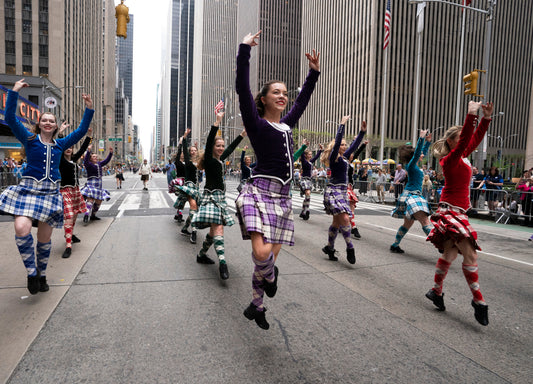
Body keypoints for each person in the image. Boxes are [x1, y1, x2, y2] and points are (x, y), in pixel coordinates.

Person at [235, 30, 320, 330]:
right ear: (264, 99)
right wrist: (244, 51)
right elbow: (242, 89)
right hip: (259, 193)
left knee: (265, 257)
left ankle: (257, 305)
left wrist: (313, 75)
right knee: (262, 256)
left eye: (286, 93)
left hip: (283, 199)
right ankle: (271, 278)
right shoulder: (256, 124)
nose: (283, 96)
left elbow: (303, 102)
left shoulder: (286, 125)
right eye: (276, 92)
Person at [0, 79, 94, 294]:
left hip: (51, 193)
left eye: (52, 120)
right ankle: (31, 273)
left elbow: (80, 132)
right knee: (21, 228)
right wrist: (14, 92)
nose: (49, 123)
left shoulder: (61, 144)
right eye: (45, 120)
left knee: (44, 239)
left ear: (55, 124)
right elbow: (11, 119)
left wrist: (89, 108)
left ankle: (42, 275)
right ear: (40, 123)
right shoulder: (29, 139)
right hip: (27, 191)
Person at [425, 101, 493, 326]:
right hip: (451, 212)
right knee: (471, 255)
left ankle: (436, 291)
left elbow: (473, 139)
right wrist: (471, 114)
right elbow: (467, 138)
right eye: (460, 138)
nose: (464, 140)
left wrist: (485, 119)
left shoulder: (462, 156)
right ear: (452, 142)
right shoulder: (450, 159)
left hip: (457, 211)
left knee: (450, 255)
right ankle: (478, 300)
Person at [192, 112, 244, 279]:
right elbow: (209, 142)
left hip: (220, 199)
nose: (221, 148)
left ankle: (201, 254)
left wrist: (242, 134)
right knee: (218, 227)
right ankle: (223, 263)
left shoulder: (221, 160)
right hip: (210, 198)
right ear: (212, 148)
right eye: (218, 146)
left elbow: (231, 147)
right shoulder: (209, 159)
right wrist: (217, 122)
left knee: (214, 230)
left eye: (222, 146)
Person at [320, 115, 358, 264]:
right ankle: (350, 247)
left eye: (345, 144)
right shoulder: (335, 157)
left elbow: (354, 148)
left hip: (342, 191)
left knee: (336, 223)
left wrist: (361, 133)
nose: (345, 146)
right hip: (334, 190)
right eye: (342, 144)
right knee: (345, 218)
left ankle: (329, 247)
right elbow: (337, 145)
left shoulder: (344, 158)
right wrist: (341, 125)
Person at [390, 130, 433, 254]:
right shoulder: (411, 165)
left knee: (408, 224)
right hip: (412, 195)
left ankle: (395, 245)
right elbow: (419, 153)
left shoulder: (414, 165)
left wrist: (428, 142)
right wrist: (421, 138)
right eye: (420, 154)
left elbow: (421, 152)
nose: (422, 155)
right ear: (414, 156)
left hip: (410, 195)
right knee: (425, 221)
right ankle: (439, 243)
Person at [58, 126, 92, 258]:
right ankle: (68, 245)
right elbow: (60, 147)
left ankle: (70, 234)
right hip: (65, 190)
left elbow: (83, 148)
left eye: (71, 147)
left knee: (76, 214)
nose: (69, 149)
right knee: (69, 216)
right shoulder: (60, 160)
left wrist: (89, 136)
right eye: (67, 147)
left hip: (76, 191)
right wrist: (60, 134)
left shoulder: (74, 159)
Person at [176, 129, 200, 244]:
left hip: (197, 187)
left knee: (194, 209)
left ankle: (185, 228)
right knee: (193, 205)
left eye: (195, 150)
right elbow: (184, 150)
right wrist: (184, 137)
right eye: (192, 150)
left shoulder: (199, 161)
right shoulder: (187, 160)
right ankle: (194, 231)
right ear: (190, 152)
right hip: (189, 186)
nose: (194, 152)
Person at [81, 146, 113, 222]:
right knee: (90, 200)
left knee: (99, 201)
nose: (95, 157)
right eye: (94, 156)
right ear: (90, 158)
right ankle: (86, 215)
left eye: (96, 156)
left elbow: (106, 161)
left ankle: (93, 215)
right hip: (91, 184)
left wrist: (111, 153)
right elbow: (85, 161)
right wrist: (88, 151)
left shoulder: (99, 164)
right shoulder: (88, 164)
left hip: (98, 185)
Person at [298, 139, 323, 220]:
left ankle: (303, 211)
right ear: (306, 155)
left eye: (311, 154)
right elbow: (301, 154)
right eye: (309, 154)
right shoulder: (304, 162)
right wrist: (303, 145)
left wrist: (320, 150)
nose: (310, 155)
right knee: (308, 193)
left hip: (309, 180)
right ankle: (307, 211)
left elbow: (316, 157)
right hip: (304, 179)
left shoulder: (311, 162)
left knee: (307, 196)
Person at [171, 139, 187, 222]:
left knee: (182, 199)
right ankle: (179, 213)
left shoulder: (187, 162)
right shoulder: (177, 162)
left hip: (186, 182)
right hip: (179, 182)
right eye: (181, 153)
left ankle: (178, 214)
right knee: (181, 198)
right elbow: (179, 151)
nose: (183, 155)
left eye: (184, 154)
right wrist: (180, 143)